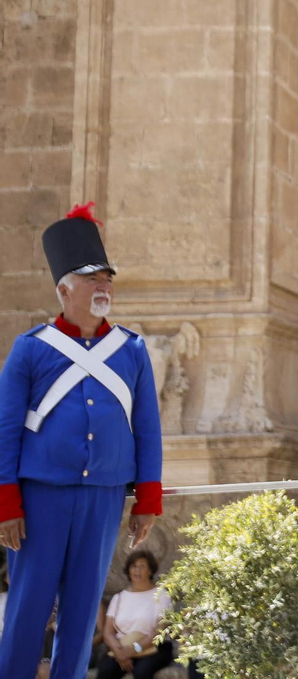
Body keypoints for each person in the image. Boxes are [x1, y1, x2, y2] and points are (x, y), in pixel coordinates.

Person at [0, 204, 163, 679]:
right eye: (93, 279)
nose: (104, 287)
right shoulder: (30, 348)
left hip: (103, 495)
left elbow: (147, 428)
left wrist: (148, 498)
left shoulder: (130, 349)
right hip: (39, 496)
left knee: (81, 606)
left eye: (108, 279)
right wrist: (7, 499)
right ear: (65, 288)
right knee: (29, 607)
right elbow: (7, 429)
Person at [96, 550, 174, 679]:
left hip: (154, 649)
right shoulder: (118, 598)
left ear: (150, 570)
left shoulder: (162, 595)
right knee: (105, 671)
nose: (137, 570)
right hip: (122, 648)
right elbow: (108, 632)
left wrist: (134, 649)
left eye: (142, 566)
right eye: (133, 566)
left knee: (142, 672)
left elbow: (160, 630)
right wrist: (119, 652)